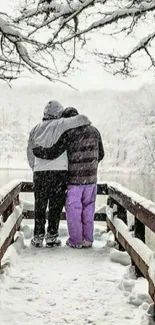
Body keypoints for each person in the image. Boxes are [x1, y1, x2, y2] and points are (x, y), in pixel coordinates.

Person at [33, 107, 104, 249]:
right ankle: (88, 240)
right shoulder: (95, 131)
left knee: (74, 210)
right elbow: (101, 153)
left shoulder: (70, 133)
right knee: (89, 209)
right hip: (91, 180)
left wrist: (38, 151)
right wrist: (89, 165)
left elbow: (54, 152)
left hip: (74, 180)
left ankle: (76, 241)